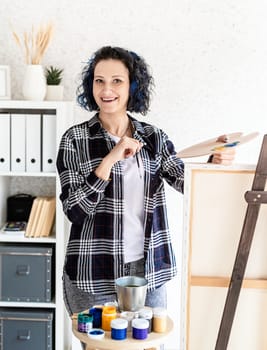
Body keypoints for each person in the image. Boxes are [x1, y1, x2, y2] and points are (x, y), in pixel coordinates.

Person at [56, 46, 235, 331]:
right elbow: (75, 211)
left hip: (149, 269)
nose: (106, 89)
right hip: (93, 268)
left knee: (148, 344)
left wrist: (212, 164)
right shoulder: (75, 139)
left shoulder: (154, 137)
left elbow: (187, 184)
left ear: (132, 87)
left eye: (117, 80)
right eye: (99, 80)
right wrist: (111, 158)